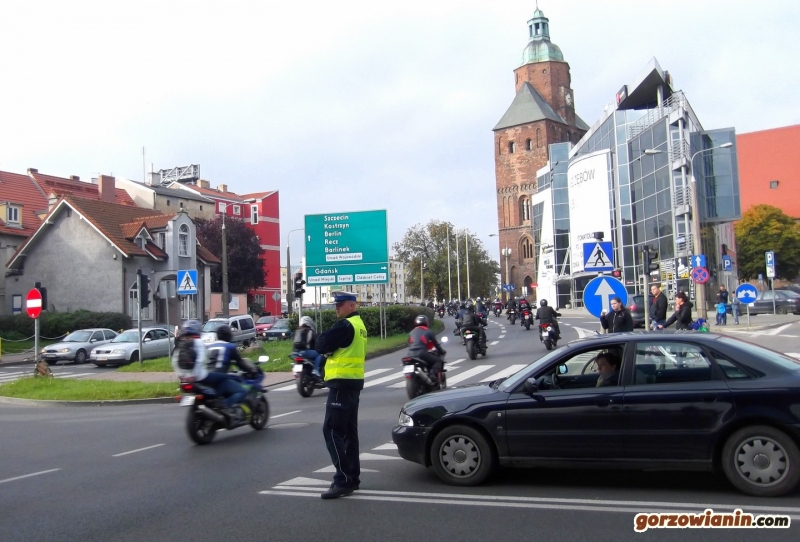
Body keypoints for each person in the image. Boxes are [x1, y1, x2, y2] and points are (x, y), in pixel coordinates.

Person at [315, 290, 367, 500]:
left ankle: (343, 479)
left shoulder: (345, 326)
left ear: (352, 306)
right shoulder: (360, 326)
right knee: (348, 432)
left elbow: (320, 344)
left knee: (331, 430)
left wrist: (327, 349)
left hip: (341, 383)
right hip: (353, 383)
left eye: (341, 304)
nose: (336, 307)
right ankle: (353, 477)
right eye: (336, 304)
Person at [206, 324, 261, 420]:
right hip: (220, 378)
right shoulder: (229, 347)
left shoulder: (210, 346)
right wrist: (251, 370)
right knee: (242, 391)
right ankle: (224, 405)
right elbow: (240, 362)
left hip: (207, 377)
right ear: (228, 335)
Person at [407, 315, 446, 384]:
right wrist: (442, 351)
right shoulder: (428, 331)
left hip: (410, 355)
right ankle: (432, 374)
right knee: (438, 361)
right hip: (422, 353)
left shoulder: (411, 332)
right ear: (426, 322)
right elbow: (436, 344)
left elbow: (409, 343)